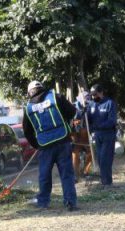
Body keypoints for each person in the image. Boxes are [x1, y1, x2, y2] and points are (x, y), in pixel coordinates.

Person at [22, 80, 78, 210]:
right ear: (42, 87)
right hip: (63, 140)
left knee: (44, 174)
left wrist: (37, 145)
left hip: (45, 145)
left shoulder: (28, 108)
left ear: (29, 92)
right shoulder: (56, 97)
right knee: (66, 174)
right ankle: (70, 202)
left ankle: (43, 202)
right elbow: (72, 112)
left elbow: (27, 131)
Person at [78, 83, 118, 186]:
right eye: (92, 95)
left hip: (108, 135)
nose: (93, 96)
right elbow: (88, 120)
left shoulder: (110, 103)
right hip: (97, 135)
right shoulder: (91, 104)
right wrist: (83, 113)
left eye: (95, 94)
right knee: (100, 159)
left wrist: (98, 126)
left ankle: (107, 183)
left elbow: (112, 121)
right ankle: (104, 181)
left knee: (105, 159)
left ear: (101, 93)